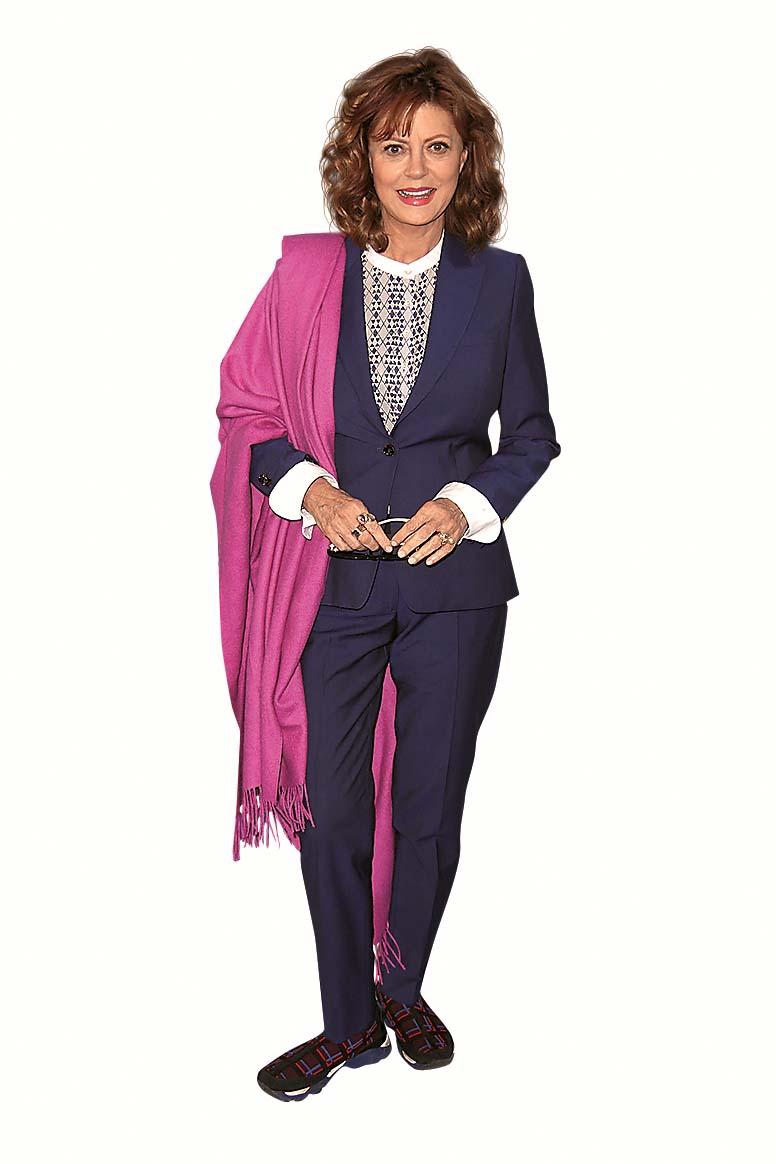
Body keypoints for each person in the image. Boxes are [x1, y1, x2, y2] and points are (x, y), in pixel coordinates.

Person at [212, 47, 561, 1102]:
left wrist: (466, 504)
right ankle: (345, 1022)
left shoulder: (500, 281)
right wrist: (311, 492)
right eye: (394, 144)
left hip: (458, 590)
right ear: (360, 157)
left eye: (437, 146)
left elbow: (531, 435)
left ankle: (401, 986)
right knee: (330, 807)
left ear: (468, 160)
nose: (416, 167)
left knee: (428, 808)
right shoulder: (306, 276)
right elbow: (248, 414)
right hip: (337, 586)